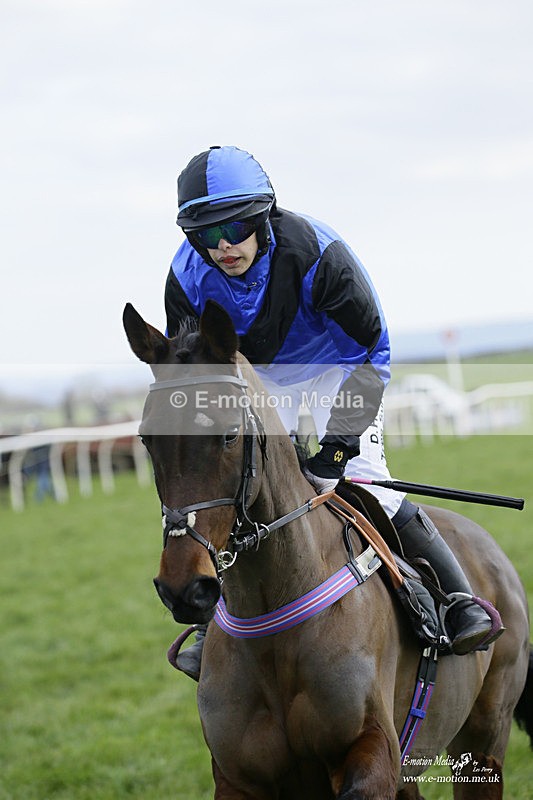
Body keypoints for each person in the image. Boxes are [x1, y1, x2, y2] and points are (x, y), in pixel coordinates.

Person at [164, 145, 503, 680]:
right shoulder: (185, 278)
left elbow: (370, 353)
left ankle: (458, 600)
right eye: (207, 236)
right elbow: (196, 371)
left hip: (338, 369)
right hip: (259, 377)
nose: (224, 247)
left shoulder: (318, 255)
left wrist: (337, 450)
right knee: (240, 491)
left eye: (235, 228)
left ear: (261, 217)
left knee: (369, 485)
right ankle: (212, 625)